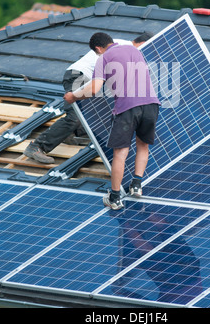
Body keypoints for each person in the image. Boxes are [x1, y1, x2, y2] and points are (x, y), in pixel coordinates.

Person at [23, 32, 154, 164]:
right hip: (79, 76)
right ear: (143, 44)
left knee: (103, 111)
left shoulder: (123, 47)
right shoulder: (125, 48)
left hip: (91, 81)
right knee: (75, 117)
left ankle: (70, 134)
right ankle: (37, 146)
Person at [64, 32, 160, 210]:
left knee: (120, 153)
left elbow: (94, 89)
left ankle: (115, 196)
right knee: (143, 145)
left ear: (98, 48)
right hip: (151, 104)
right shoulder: (134, 51)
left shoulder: (104, 58)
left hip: (127, 108)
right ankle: (136, 185)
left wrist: (73, 96)